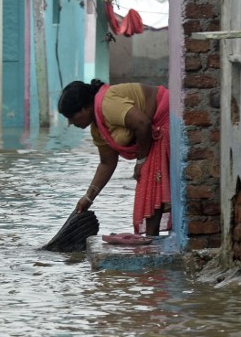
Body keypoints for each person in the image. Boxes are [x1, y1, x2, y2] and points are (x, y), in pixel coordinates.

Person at [57, 79, 171, 236]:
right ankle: (151, 240)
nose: (70, 123)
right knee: (146, 176)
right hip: (151, 134)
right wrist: (88, 198)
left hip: (165, 118)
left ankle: (151, 243)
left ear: (87, 108)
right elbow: (107, 163)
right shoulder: (97, 129)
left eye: (72, 116)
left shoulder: (107, 103)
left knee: (146, 175)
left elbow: (143, 124)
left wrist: (141, 161)